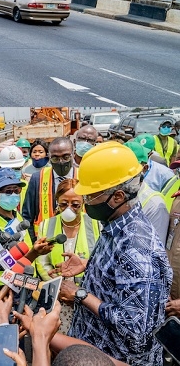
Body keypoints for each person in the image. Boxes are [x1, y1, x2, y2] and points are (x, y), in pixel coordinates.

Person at [58, 141, 171, 366]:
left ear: (118, 197)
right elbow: (122, 277)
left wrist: (80, 295)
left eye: (90, 196)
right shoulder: (117, 224)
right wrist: (90, 265)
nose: (86, 202)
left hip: (116, 358)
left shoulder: (137, 248)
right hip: (95, 350)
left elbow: (135, 329)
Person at [35, 178, 101, 333]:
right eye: (63, 204)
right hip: (58, 295)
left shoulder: (96, 223)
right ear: (57, 202)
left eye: (75, 205)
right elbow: (42, 262)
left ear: (83, 202)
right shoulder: (47, 224)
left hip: (87, 295)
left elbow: (99, 259)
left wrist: (79, 293)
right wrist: (59, 289)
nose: (69, 209)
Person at [0, 169, 55, 289]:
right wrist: (35, 252)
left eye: (16, 191)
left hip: (26, 277)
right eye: (8, 192)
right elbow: (6, 263)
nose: (13, 195)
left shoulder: (15, 214)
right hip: (5, 287)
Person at [23, 137, 76, 237]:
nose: (61, 162)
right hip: (46, 240)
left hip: (77, 238)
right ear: (49, 157)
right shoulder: (38, 178)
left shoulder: (82, 177)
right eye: (55, 158)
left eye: (66, 157)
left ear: (73, 154)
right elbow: (28, 216)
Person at [122, 139, 168, 245]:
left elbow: (156, 251)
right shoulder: (113, 195)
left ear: (145, 168)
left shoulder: (155, 205)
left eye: (130, 169)